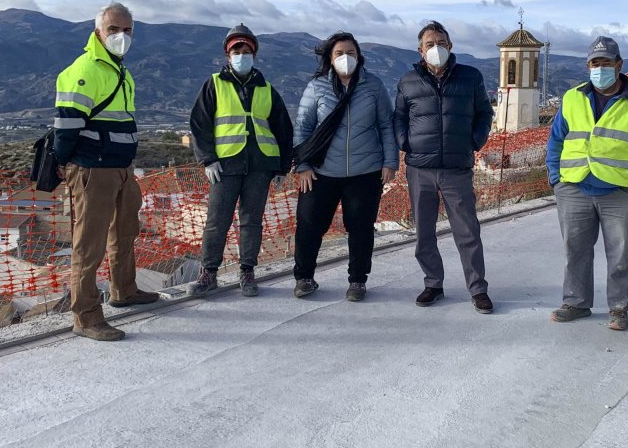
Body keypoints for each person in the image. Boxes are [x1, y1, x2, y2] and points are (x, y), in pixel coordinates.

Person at [54, 2, 159, 342]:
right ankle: (85, 316)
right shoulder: (85, 69)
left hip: (121, 168)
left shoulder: (120, 71)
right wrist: (67, 163)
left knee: (126, 231)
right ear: (98, 31)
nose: (121, 36)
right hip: (92, 170)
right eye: (114, 30)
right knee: (89, 245)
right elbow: (67, 126)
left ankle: (123, 291)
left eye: (127, 30)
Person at [545, 36, 628, 331]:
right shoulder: (572, 97)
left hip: (621, 191)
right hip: (574, 186)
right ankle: (576, 302)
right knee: (575, 249)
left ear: (619, 64)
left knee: (622, 252)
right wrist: (556, 178)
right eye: (595, 63)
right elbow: (556, 139)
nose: (600, 68)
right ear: (588, 66)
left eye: (606, 62)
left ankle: (619, 307)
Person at [393, 21, 495, 313]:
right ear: (420, 50)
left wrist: (474, 141)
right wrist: (404, 142)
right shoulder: (408, 80)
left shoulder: (470, 77)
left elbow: (484, 113)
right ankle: (433, 283)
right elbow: (399, 116)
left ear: (450, 47)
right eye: (430, 44)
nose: (436, 48)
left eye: (441, 43)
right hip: (419, 168)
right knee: (424, 231)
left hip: (456, 167)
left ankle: (478, 289)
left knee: (467, 231)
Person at [291, 32, 398, 301]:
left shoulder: (373, 86)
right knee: (309, 225)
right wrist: (302, 164)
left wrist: (390, 161)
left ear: (359, 57)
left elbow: (386, 124)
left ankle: (357, 281)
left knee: (361, 228)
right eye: (339, 53)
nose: (345, 58)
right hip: (321, 171)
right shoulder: (316, 88)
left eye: (350, 53)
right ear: (330, 58)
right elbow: (303, 127)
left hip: (365, 171)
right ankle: (304, 277)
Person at [189, 23, 293, 298]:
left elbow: (283, 129)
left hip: (260, 165)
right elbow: (200, 124)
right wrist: (207, 159)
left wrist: (283, 166)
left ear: (254, 54)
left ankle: (247, 272)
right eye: (237, 49)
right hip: (225, 165)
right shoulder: (214, 85)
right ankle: (208, 274)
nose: (242, 54)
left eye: (246, 49)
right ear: (228, 54)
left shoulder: (267, 89)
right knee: (216, 221)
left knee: (252, 222)